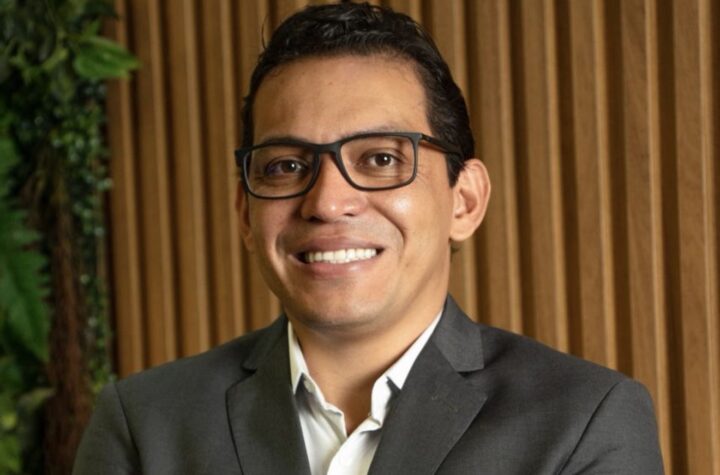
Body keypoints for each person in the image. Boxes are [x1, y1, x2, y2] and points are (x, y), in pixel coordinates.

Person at [73, 2, 663, 474]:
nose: (327, 202)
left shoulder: (582, 421)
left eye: (380, 158)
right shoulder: (144, 424)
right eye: (286, 166)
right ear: (245, 215)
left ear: (464, 201)